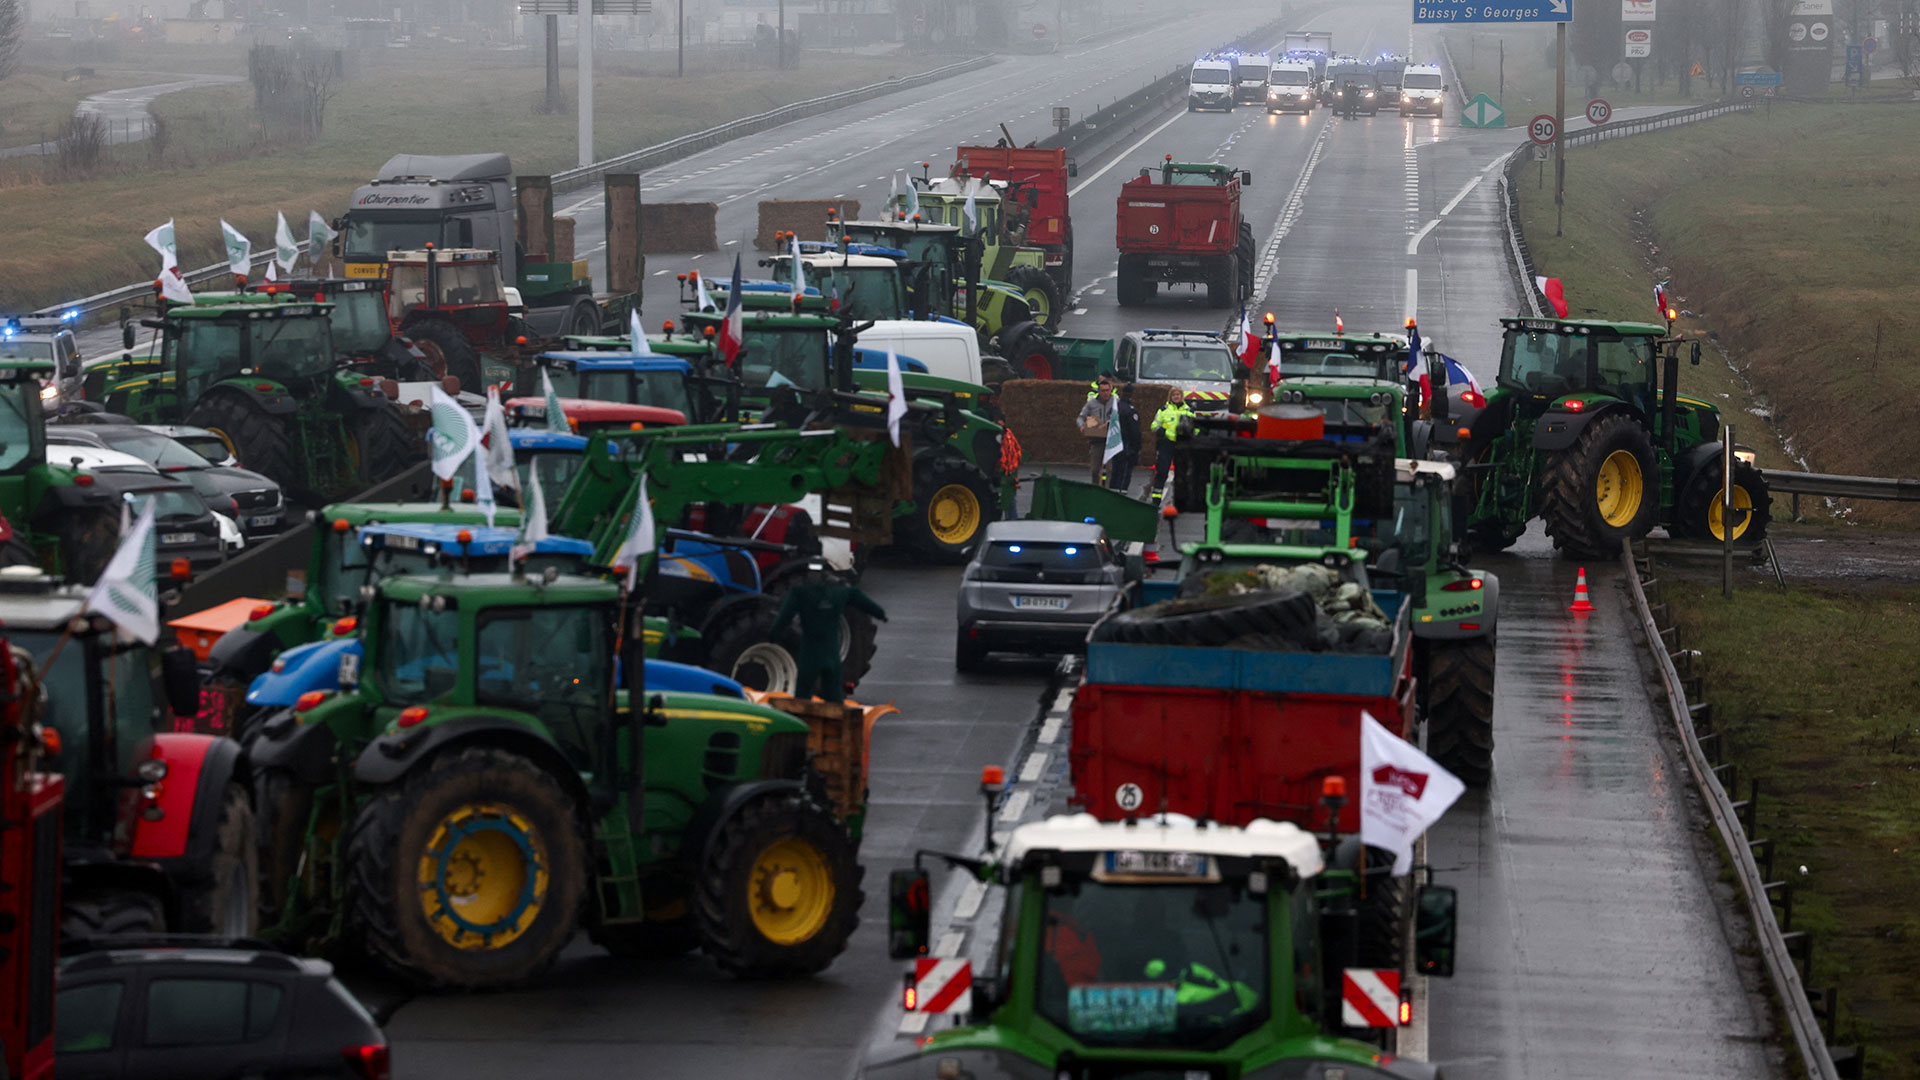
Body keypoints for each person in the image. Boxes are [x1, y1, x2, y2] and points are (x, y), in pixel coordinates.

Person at [770, 560, 888, 704]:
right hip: (831, 653)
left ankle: (803, 723)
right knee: (834, 694)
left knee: (803, 694)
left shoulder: (799, 594)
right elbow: (860, 598)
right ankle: (835, 722)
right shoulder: (839, 593)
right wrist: (881, 614)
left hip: (810, 654)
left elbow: (784, 617)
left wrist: (773, 635)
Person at [1150, 391, 1198, 502]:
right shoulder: (1163, 410)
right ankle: (1155, 500)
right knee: (1162, 471)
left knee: (1182, 474)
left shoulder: (1189, 411)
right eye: (1174, 395)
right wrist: (1163, 431)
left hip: (1182, 445)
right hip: (1166, 444)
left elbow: (1196, 428)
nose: (1176, 397)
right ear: (1170, 397)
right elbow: (1154, 425)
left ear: (1182, 397)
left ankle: (1181, 501)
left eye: (1178, 395)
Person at [1078, 378, 1115, 485]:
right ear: (1099, 391)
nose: (1105, 393)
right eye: (1103, 391)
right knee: (1095, 470)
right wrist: (1082, 426)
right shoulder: (1091, 404)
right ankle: (1095, 487)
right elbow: (1080, 418)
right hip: (1096, 440)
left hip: (1111, 441)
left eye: (1107, 390)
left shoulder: (1115, 403)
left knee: (1110, 470)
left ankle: (1108, 492)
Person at [1110, 382, 1141, 492]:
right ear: (1132, 394)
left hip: (1115, 443)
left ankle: (1112, 491)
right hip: (1127, 445)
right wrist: (1137, 447)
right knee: (1124, 472)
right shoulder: (1130, 409)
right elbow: (1134, 432)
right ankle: (1122, 493)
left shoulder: (1115, 407)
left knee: (1115, 471)